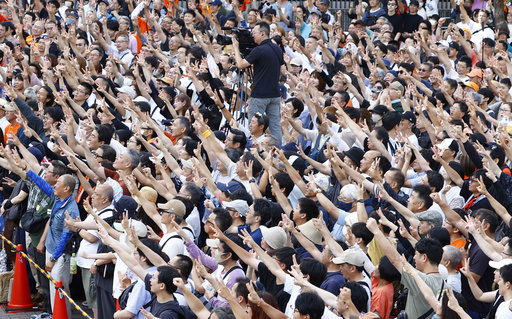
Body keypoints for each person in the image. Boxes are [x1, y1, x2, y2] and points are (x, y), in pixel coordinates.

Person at [232, 21, 285, 144]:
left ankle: (257, 151)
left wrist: (236, 47)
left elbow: (240, 65)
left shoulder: (259, 50)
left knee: (254, 126)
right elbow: (282, 70)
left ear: (262, 34)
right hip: (275, 94)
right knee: (275, 125)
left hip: (260, 95)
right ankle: (276, 152)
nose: (252, 36)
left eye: (254, 33)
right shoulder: (277, 48)